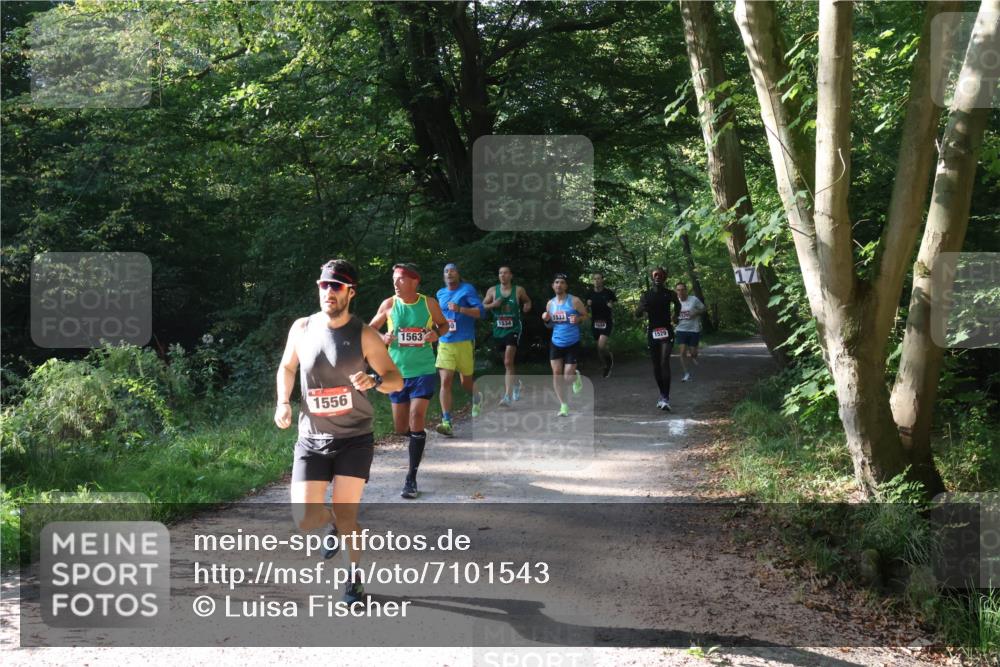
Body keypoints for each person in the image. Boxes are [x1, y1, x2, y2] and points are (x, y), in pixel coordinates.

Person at [274, 259, 403, 604]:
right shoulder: (302, 328)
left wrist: (374, 380)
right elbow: (287, 367)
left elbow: (395, 380)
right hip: (311, 439)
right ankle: (334, 524)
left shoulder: (364, 334)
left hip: (354, 440)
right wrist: (283, 402)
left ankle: (353, 580)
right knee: (305, 519)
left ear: (350, 292)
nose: (328, 291)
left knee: (348, 516)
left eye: (336, 286)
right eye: (324, 285)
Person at [369, 263, 450, 500]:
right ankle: (418, 437)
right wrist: (382, 337)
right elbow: (370, 329)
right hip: (396, 372)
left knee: (416, 416)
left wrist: (436, 333)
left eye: (401, 279)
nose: (395, 283)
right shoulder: (389, 304)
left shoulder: (429, 304)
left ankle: (411, 478)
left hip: (423, 369)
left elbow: (444, 324)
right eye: (394, 279)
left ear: (415, 281)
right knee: (401, 428)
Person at [435, 262, 485, 436]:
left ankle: (478, 397)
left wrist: (460, 309)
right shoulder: (440, 293)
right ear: (443, 276)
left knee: (466, 383)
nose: (449, 273)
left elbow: (481, 312)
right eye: (446, 271)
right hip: (445, 342)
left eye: (452, 271)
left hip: (464, 341)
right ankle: (447, 421)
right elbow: (438, 316)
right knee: (445, 381)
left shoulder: (467, 289)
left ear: (458, 274)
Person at [482, 265, 532, 407]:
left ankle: (507, 397)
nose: (502, 275)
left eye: (505, 273)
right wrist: (493, 304)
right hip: (498, 330)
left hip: (514, 329)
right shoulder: (492, 290)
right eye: (500, 273)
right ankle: (515, 384)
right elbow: (482, 306)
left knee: (508, 362)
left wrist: (527, 306)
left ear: (511, 275)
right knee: (507, 362)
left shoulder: (518, 290)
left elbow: (527, 300)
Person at [541, 273, 588, 417]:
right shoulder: (550, 304)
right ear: (553, 286)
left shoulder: (574, 301)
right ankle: (563, 405)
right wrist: (546, 319)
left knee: (567, 377)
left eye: (562, 282)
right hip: (556, 342)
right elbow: (549, 325)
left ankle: (575, 376)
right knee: (556, 374)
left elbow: (586, 316)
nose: (559, 285)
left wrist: (578, 319)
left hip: (572, 342)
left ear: (566, 286)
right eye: (556, 282)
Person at [635, 267, 681, 411]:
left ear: (664, 277)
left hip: (666, 331)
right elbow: (637, 314)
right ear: (651, 277)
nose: (657, 277)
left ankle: (666, 398)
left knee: (664, 361)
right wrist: (641, 309)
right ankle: (662, 394)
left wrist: (676, 316)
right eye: (655, 275)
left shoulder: (670, 294)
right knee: (656, 365)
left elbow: (678, 305)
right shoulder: (646, 295)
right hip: (653, 332)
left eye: (660, 275)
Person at [584, 272, 618, 378]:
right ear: (592, 281)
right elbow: (584, 310)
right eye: (595, 279)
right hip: (595, 322)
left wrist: (611, 306)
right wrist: (587, 306)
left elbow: (615, 306)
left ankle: (609, 361)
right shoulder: (589, 293)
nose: (596, 281)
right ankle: (606, 365)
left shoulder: (608, 293)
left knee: (601, 345)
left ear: (602, 280)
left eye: (599, 278)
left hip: (606, 322)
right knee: (599, 349)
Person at [674, 282, 706, 382]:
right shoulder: (675, 302)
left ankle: (693, 355)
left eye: (682, 289)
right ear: (676, 291)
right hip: (681, 330)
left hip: (693, 330)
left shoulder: (694, 299)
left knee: (693, 353)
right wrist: (673, 318)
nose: (681, 292)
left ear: (686, 290)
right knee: (682, 352)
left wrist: (695, 313)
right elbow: (673, 315)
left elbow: (703, 309)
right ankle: (686, 374)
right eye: (678, 290)